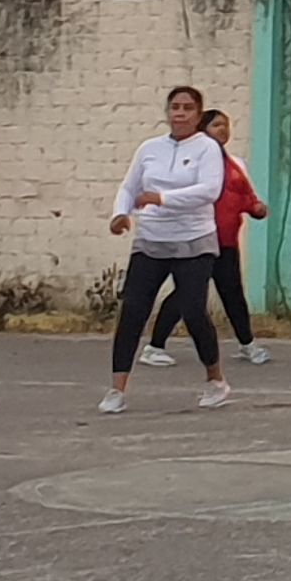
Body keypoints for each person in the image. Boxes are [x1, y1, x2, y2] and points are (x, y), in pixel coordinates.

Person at [103, 87, 231, 415]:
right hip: (151, 240)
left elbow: (209, 190)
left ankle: (215, 379)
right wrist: (120, 213)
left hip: (194, 241)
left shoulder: (207, 148)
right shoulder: (150, 148)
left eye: (188, 108)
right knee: (132, 310)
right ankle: (117, 389)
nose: (180, 113)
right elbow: (130, 186)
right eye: (175, 107)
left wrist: (162, 198)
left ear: (198, 114)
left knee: (192, 310)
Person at [147, 106, 268, 366]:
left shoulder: (236, 164)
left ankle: (247, 344)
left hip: (225, 240)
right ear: (202, 130)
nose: (223, 130)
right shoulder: (191, 163)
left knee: (232, 292)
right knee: (187, 293)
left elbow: (244, 196)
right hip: (198, 239)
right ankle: (154, 346)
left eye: (226, 125)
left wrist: (256, 208)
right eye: (216, 125)